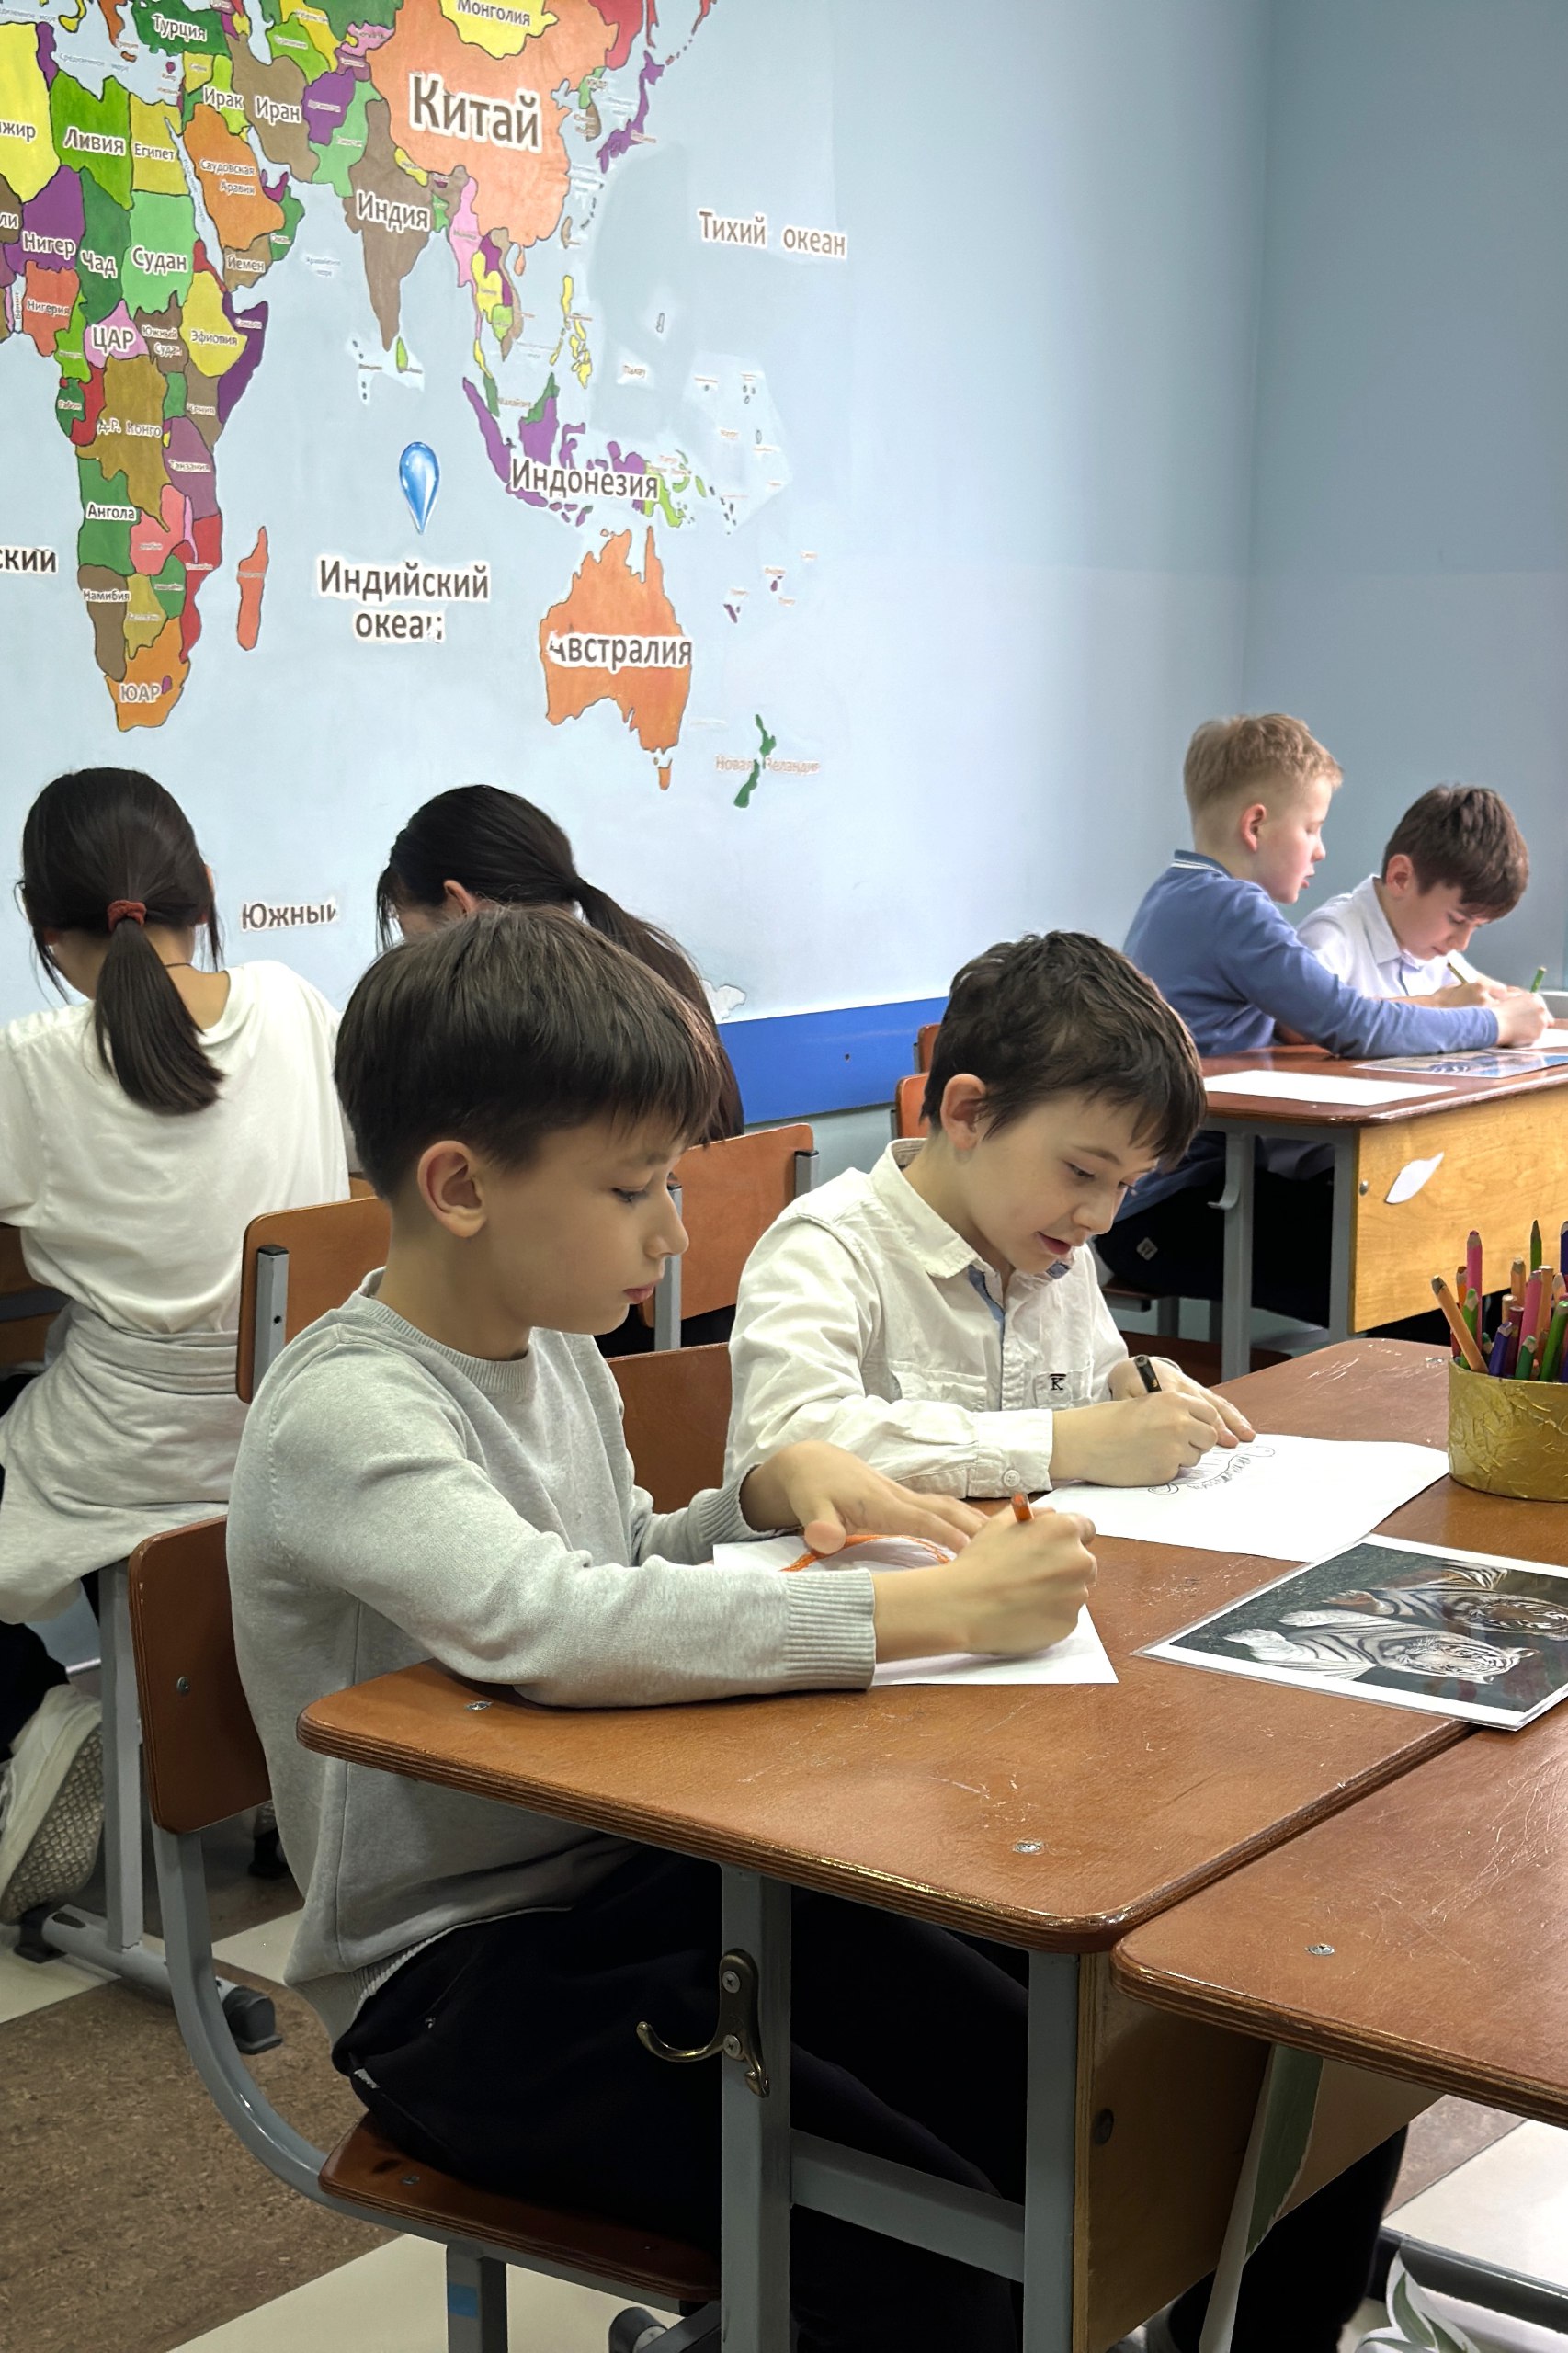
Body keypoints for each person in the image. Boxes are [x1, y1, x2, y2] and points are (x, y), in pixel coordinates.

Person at [227, 907, 1100, 2353]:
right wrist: (909, 1610)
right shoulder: (346, 1410)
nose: (677, 1230)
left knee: (1057, 2099)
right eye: (634, 1187)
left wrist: (759, 1495)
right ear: (459, 1186)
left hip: (646, 1878)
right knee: (935, 2261)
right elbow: (552, 1623)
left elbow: (620, 1557)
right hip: (458, 1984)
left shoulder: (554, 1345)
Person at [0, 767, 347, 1927]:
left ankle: (36, 1720)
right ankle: (261, 1749)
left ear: (37, 918)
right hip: (292, 1445)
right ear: (203, 885)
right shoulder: (293, 1005)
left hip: (128, 1461)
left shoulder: (32, 1063)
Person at [726, 932, 1255, 1497]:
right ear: (969, 1114)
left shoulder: (1055, 1246)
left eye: (1126, 1184)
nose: (1102, 1219)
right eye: (1082, 1171)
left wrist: (1122, 1388)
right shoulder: (825, 1249)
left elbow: (1093, 1411)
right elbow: (784, 1453)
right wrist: (1061, 1442)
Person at [1098, 716, 1548, 1325]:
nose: (1321, 849)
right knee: (1422, 1279)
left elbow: (1335, 1017)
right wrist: (1494, 1025)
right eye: (1311, 827)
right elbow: (1351, 1023)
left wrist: (1458, 1007)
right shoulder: (1232, 907)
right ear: (1256, 825)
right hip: (1172, 1210)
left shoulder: (1178, 890)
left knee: (1430, 1257)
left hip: (1190, 1193)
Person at [378, 781, 744, 1353]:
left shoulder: (517, 1023)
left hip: (617, 1323)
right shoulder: (645, 967)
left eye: (411, 938)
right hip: (697, 1309)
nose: (418, 966)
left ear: (459, 905)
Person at [1297, 784, 1531, 1003]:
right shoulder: (1332, 936)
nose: (1461, 944)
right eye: (1457, 920)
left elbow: (1486, 994)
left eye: (1476, 927)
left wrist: (1510, 1003)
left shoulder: (1436, 954)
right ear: (1401, 878)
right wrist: (1441, 1006)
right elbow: (1304, 1017)